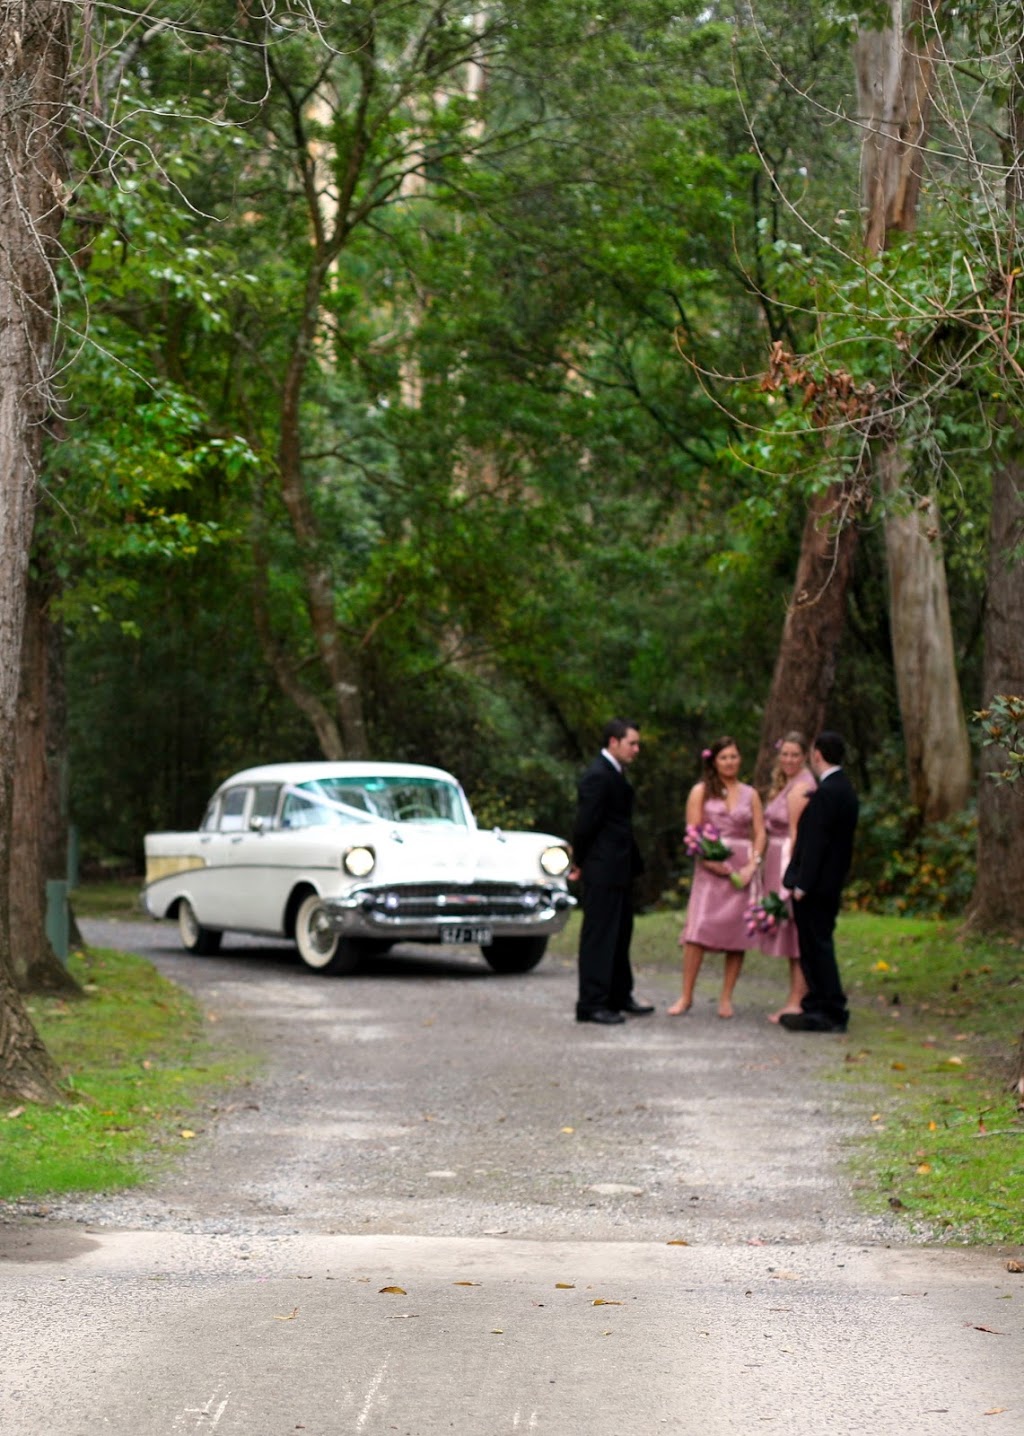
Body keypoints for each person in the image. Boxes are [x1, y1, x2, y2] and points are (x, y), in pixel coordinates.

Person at [669, 736, 766, 1019]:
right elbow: (693, 830)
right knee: (697, 930)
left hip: (742, 865)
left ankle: (726, 997)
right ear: (714, 761)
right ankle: (686, 995)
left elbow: (759, 832)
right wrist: (708, 859)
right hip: (711, 868)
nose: (730, 762)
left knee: (737, 931)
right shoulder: (701, 791)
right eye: (724, 757)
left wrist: (753, 864)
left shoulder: (751, 794)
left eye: (734, 757)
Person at [571, 718, 652, 1025]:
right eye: (632, 743)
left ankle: (619, 994)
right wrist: (579, 861)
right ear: (613, 742)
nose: (637, 749)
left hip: (619, 868)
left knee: (620, 934)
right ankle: (591, 1003)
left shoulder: (614, 773)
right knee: (600, 936)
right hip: (602, 868)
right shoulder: (597, 776)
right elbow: (585, 824)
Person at [780, 731, 859, 1034]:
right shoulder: (845, 789)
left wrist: (802, 885)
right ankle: (818, 1004)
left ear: (816, 755)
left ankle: (829, 1009)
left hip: (816, 886)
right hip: (830, 883)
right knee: (816, 944)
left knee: (816, 946)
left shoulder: (827, 792)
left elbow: (816, 843)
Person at [760, 731, 815, 1023]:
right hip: (774, 857)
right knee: (790, 930)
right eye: (785, 754)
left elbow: (797, 833)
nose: (789, 760)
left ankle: (798, 999)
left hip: (787, 859)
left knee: (796, 932)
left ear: (805, 756)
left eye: (795, 755)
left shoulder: (803, 786)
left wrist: (790, 872)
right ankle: (794, 996)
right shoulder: (787, 784)